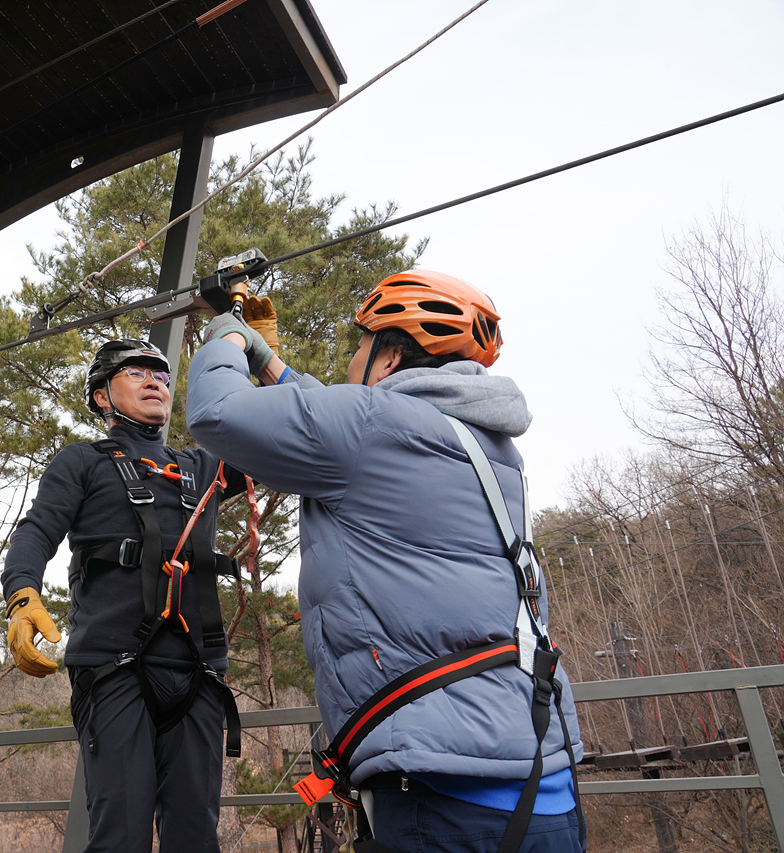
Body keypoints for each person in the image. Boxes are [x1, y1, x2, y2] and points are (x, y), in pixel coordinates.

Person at [185, 271, 585, 853]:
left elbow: (217, 412)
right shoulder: (488, 447)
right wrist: (270, 362)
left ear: (390, 356)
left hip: (440, 794)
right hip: (542, 776)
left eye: (360, 345)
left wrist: (226, 339)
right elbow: (344, 420)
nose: (351, 360)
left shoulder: (371, 427)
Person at [1, 338, 242, 853]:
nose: (155, 380)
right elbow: (37, 530)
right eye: (136, 373)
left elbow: (279, 431)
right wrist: (23, 594)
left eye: (161, 374)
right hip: (115, 669)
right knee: (122, 835)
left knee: (195, 837)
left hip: (197, 672)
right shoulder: (81, 463)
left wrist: (257, 353)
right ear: (102, 397)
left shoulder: (202, 469)